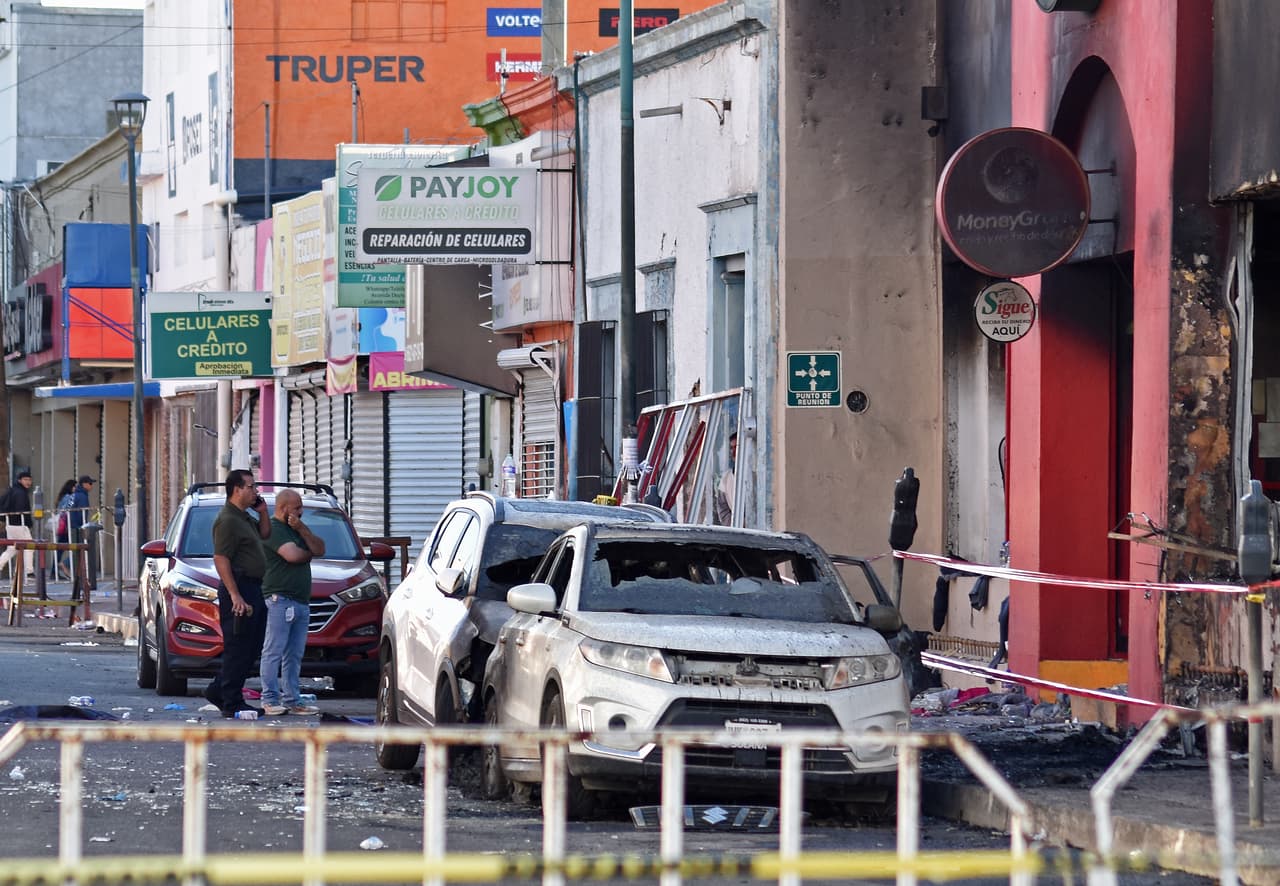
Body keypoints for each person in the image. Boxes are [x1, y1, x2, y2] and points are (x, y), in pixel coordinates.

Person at [205, 469, 271, 718]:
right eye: (251, 487)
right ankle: (232, 702)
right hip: (239, 587)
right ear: (237, 489)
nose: (255, 491)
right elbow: (221, 558)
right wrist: (235, 595)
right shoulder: (227, 520)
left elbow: (265, 534)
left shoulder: (243, 517)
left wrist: (262, 512)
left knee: (252, 647)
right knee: (238, 647)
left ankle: (218, 690)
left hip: (253, 587)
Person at [259, 489, 325, 717]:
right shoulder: (273, 529)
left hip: (300, 600)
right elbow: (293, 556)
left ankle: (292, 699)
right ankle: (269, 698)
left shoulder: (297, 529)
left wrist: (302, 529)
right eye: (297, 507)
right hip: (279, 599)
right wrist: (309, 553)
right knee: (274, 650)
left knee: (294, 654)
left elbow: (320, 548)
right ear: (284, 508)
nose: (301, 511)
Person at [0, 470, 36, 582]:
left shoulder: (11, 491)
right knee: (29, 546)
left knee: (12, 548)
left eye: (29, 480)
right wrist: (29, 523)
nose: (28, 482)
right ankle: (29, 572)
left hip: (10, 524)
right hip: (20, 524)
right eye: (25, 479)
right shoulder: (21, 493)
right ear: (20, 480)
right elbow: (22, 510)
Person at [69, 475, 97, 590]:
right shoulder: (82, 496)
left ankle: (78, 580)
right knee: (80, 553)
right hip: (78, 527)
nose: (91, 486)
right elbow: (81, 513)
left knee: (76, 552)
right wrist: (83, 526)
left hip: (72, 526)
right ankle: (80, 580)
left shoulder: (75, 494)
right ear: (84, 484)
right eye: (90, 484)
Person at [50, 479, 76, 580]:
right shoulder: (69, 497)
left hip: (63, 526)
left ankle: (54, 571)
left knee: (60, 549)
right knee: (76, 547)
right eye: (75, 487)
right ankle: (63, 565)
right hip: (66, 526)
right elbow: (66, 510)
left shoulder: (62, 497)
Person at [714, 432, 737, 525]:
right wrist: (735, 524)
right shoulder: (726, 479)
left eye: (737, 447)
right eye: (732, 448)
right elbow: (723, 510)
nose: (734, 452)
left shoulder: (755, 476)